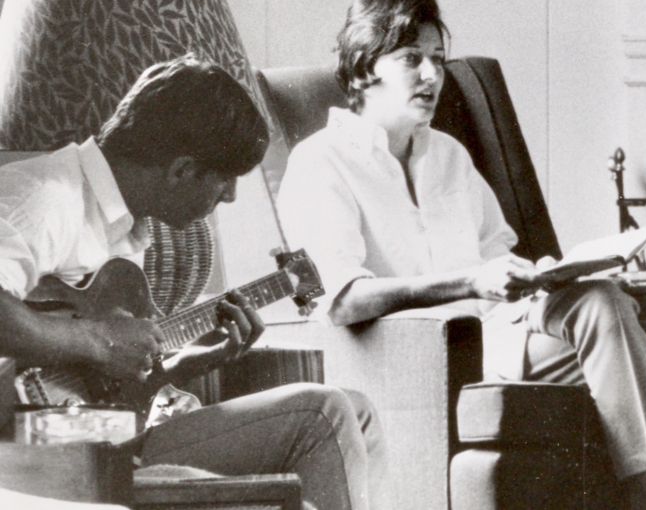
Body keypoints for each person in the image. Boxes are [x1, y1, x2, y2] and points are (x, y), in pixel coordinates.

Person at [276, 0, 646, 510]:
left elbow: (498, 251)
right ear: (363, 71)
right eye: (411, 59)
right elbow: (340, 300)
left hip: (497, 333)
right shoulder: (320, 162)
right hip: (424, 353)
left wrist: (544, 274)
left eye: (437, 60)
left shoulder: (450, 155)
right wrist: (470, 281)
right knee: (601, 305)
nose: (431, 76)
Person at [0, 57, 384, 510]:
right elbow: (92, 347)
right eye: (225, 178)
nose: (230, 196)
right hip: (20, 441)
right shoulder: (44, 197)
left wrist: (186, 364)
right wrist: (99, 341)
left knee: (355, 410)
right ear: (182, 169)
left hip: (88, 430)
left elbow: (104, 391)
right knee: (323, 412)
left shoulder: (124, 228)